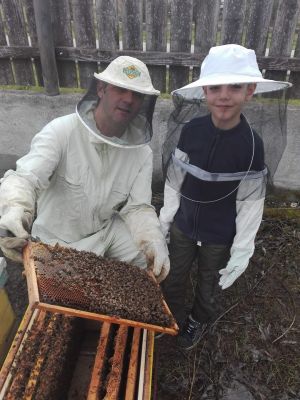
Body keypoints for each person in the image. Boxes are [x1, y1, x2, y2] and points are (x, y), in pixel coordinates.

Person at [159, 44, 292, 350]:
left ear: (250, 91)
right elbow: (175, 179)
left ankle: (196, 321)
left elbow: (250, 201)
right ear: (204, 91)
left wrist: (243, 247)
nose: (224, 95)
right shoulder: (191, 130)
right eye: (216, 87)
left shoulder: (252, 145)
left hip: (219, 235)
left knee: (209, 285)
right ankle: (170, 317)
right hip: (183, 226)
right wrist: (165, 220)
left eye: (235, 86)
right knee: (174, 276)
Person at [0, 56, 170, 283]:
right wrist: (15, 210)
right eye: (121, 89)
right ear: (101, 89)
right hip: (58, 238)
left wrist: (153, 239)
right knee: (61, 298)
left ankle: (131, 309)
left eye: (137, 94)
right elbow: (25, 178)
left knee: (146, 259)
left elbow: (138, 207)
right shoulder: (61, 131)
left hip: (105, 231)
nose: (129, 99)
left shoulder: (142, 153)